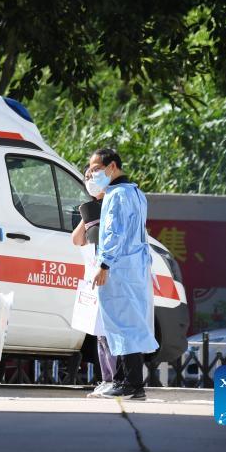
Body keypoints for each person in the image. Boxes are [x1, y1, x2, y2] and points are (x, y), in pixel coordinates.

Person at [87, 148, 157, 401]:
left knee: (123, 325)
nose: (93, 174)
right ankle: (122, 380)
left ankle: (131, 383)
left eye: (96, 169)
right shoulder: (135, 192)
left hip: (119, 268)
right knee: (127, 325)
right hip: (133, 268)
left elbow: (113, 232)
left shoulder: (116, 195)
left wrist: (104, 264)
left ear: (112, 167)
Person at [72, 166, 119, 398]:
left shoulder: (115, 204)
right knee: (100, 332)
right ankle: (107, 378)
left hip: (113, 276)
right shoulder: (91, 210)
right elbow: (77, 239)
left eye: (94, 176)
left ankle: (117, 379)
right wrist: (86, 216)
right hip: (95, 276)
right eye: (87, 178)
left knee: (111, 331)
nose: (90, 181)